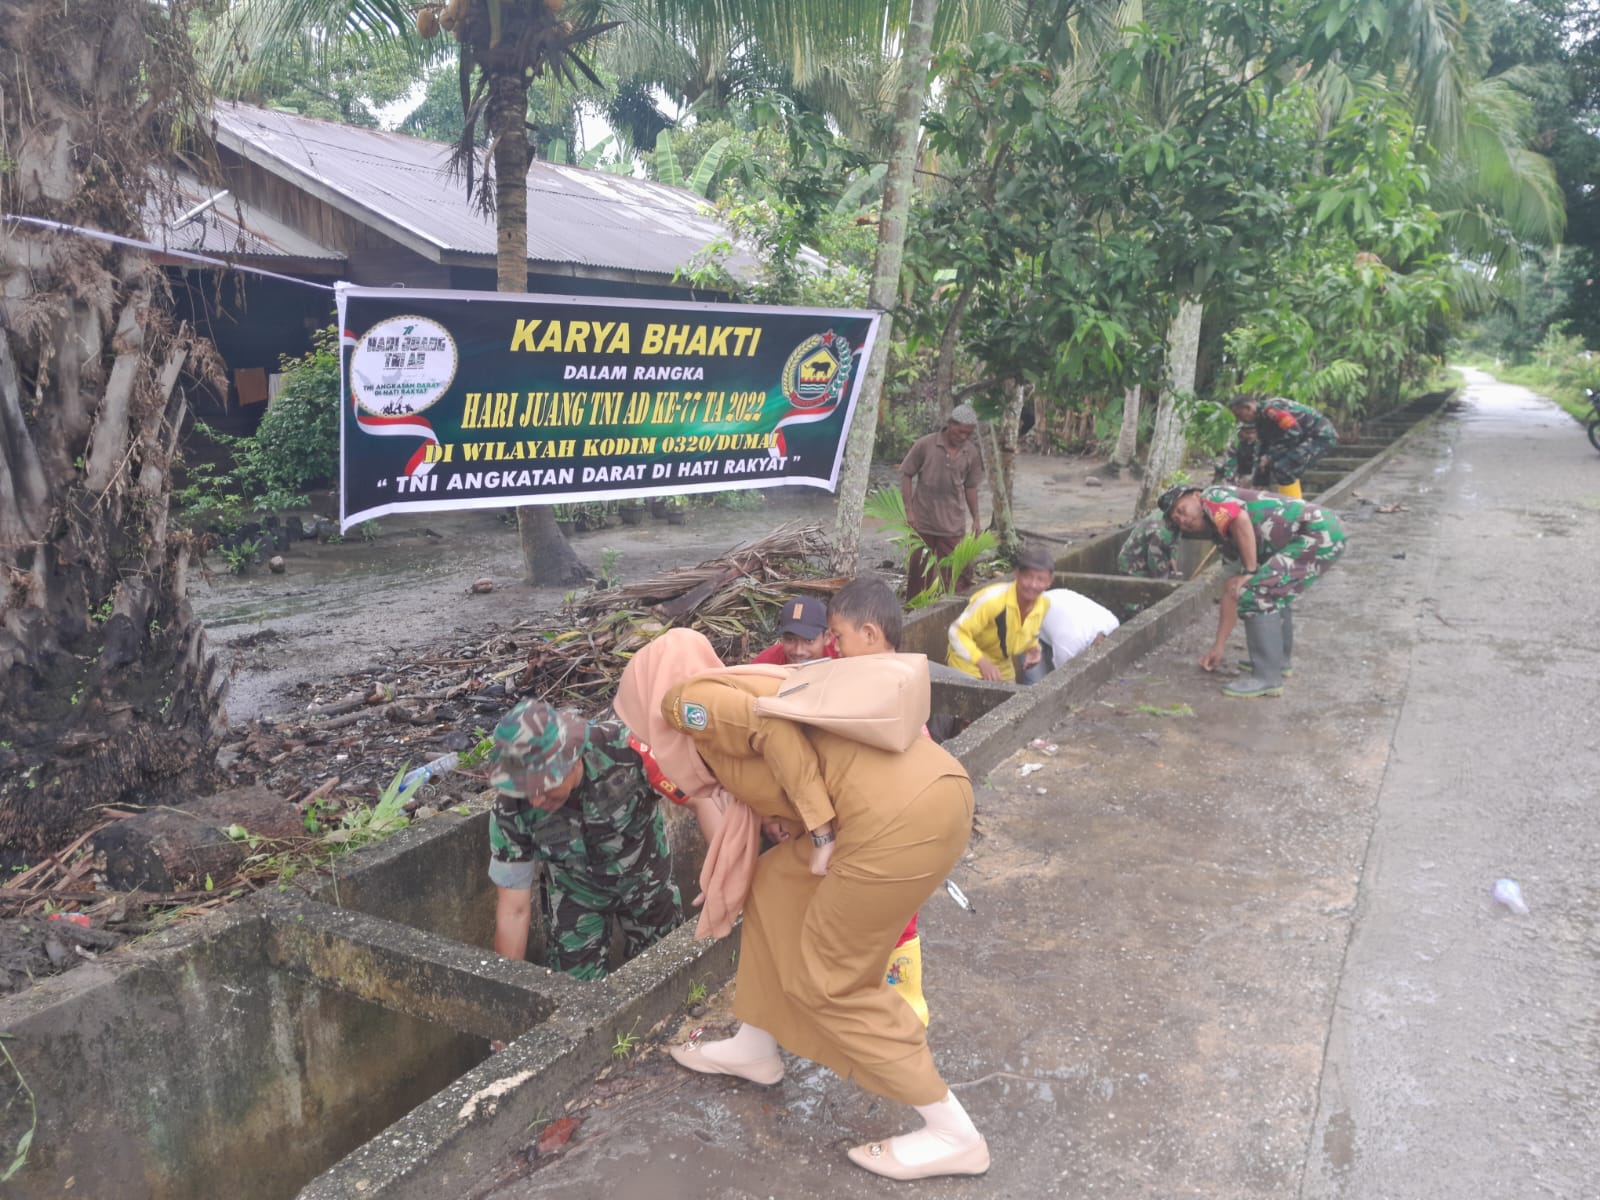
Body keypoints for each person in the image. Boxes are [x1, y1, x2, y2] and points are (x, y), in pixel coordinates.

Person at [615, 631, 989, 1181]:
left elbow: (772, 729)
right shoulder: (737, 688)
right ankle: (755, 1045)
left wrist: (817, 830)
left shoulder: (684, 700)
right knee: (771, 884)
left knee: (831, 981)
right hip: (930, 793)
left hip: (893, 821)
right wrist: (794, 817)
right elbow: (796, 753)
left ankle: (953, 1133)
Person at [487, 698, 681, 980]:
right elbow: (514, 909)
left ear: (574, 757)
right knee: (572, 996)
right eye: (527, 788)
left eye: (546, 784)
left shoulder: (626, 749)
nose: (537, 799)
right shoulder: (510, 811)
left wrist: (725, 880)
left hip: (646, 879)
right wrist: (505, 988)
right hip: (576, 897)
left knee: (670, 976)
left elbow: (701, 796)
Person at [1160, 484, 1347, 698]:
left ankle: (1266, 678)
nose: (1182, 520)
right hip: (1316, 532)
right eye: (1176, 520)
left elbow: (1240, 519)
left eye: (1181, 510)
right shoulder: (1223, 535)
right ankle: (1279, 662)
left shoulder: (1212, 496)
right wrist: (1218, 646)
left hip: (1316, 531)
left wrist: (1250, 571)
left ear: (1195, 495)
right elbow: (1231, 589)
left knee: (1258, 593)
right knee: (1269, 591)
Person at [899, 402, 985, 600]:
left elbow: (971, 487)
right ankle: (915, 611)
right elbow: (906, 473)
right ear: (950, 425)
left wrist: (976, 520)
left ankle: (952, 611)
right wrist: (909, 511)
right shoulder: (925, 444)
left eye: (968, 434)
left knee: (955, 574)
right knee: (919, 573)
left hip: (952, 523)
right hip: (923, 520)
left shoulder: (970, 452)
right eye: (960, 432)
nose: (963, 437)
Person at [946, 543, 1053, 682]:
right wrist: (982, 662)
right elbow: (956, 632)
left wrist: (1032, 648)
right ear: (1017, 574)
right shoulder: (992, 600)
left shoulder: (1043, 604)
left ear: (1049, 582)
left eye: (1040, 579)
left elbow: (1024, 631)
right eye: (1028, 577)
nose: (1033, 585)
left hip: (1002, 669)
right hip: (968, 667)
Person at [1229, 395, 1338, 499]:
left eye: (1239, 415)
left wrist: (1270, 456)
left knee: (1284, 468)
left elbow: (1294, 432)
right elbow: (1263, 446)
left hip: (1320, 436)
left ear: (1249, 408)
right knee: (1271, 468)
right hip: (1303, 438)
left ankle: (1295, 508)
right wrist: (1259, 479)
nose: (1239, 420)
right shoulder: (1260, 419)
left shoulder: (1271, 410)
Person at [1021, 586, 1120, 683]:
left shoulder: (1112, 623)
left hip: (1055, 604)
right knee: (1036, 683)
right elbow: (1062, 679)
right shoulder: (1069, 646)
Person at [750, 595, 839, 665]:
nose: (798, 651)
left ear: (827, 637)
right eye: (790, 640)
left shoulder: (842, 654)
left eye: (809, 640)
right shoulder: (765, 664)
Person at [1117, 509, 1183, 579]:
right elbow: (1154, 558)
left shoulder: (1174, 515)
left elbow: (1175, 540)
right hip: (1132, 566)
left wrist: (1172, 557)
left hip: (1148, 555)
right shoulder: (1161, 532)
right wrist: (1163, 581)